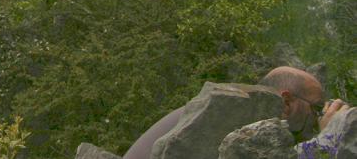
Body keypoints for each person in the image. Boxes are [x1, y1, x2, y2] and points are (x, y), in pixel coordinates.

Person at [122, 66, 350, 158]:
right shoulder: (234, 121)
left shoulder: (235, 110)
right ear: (287, 103)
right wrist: (329, 138)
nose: (320, 117)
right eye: (318, 108)